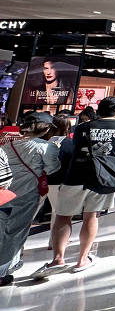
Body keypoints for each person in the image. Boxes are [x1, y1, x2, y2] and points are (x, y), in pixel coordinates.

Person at [34, 97, 115, 279]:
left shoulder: (82, 127)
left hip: (76, 175)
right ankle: (82, 259)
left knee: (63, 215)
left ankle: (58, 259)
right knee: (91, 216)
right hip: (103, 178)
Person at [0, 112, 59, 285]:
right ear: (45, 128)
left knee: (3, 228)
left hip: (5, 192)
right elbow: (52, 168)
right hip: (27, 193)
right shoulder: (47, 147)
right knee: (16, 230)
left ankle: (10, 264)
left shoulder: (8, 144)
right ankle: (3, 270)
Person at [44, 114, 75, 249]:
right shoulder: (70, 143)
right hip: (60, 181)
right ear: (67, 127)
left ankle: (19, 247)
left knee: (31, 212)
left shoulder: (44, 141)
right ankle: (54, 242)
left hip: (41, 180)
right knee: (58, 212)